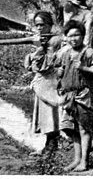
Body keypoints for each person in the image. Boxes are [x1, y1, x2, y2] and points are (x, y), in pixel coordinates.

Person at [56, 20, 93, 172]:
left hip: (83, 96)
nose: (74, 39)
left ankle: (84, 162)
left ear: (83, 36)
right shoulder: (66, 53)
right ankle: (76, 159)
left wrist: (83, 67)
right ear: (66, 38)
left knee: (84, 129)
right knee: (72, 129)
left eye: (77, 35)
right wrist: (59, 73)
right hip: (68, 97)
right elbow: (58, 68)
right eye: (70, 36)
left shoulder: (88, 52)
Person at [23, 11, 63, 155]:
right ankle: (49, 145)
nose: (39, 28)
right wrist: (35, 51)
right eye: (37, 25)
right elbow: (31, 66)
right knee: (44, 116)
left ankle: (52, 147)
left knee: (51, 114)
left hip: (51, 81)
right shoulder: (40, 39)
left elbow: (46, 65)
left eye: (42, 25)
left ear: (49, 25)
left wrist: (39, 49)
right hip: (42, 82)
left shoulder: (55, 41)